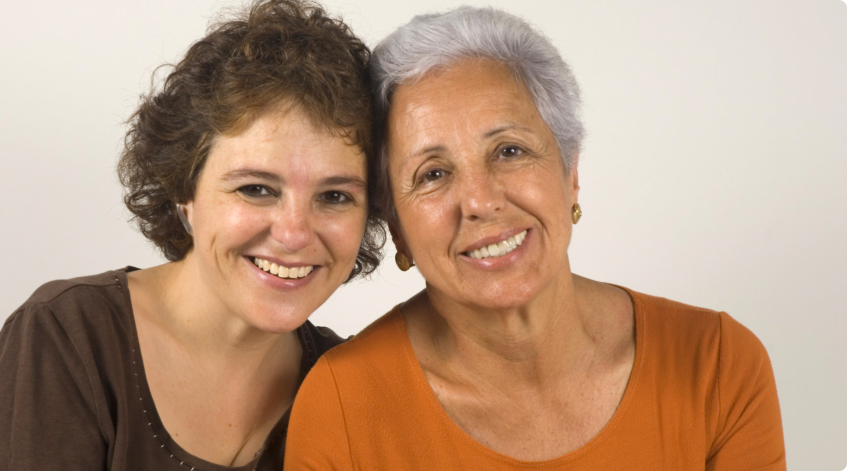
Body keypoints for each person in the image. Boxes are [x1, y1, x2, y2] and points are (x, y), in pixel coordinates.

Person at [285, 6, 785, 470]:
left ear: (570, 172)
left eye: (509, 151)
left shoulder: (717, 365)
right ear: (396, 226)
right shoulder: (341, 407)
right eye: (433, 174)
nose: (480, 200)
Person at [0, 0, 382, 469]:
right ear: (185, 190)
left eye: (336, 197)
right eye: (256, 188)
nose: (294, 233)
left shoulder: (351, 387)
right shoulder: (66, 337)